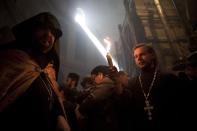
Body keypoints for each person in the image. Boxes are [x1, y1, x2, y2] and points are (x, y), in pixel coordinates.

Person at [0, 12, 70, 131]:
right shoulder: (12, 60)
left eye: (53, 33)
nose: (48, 34)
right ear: (31, 31)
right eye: (43, 28)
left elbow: (50, 100)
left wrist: (58, 116)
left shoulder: (44, 70)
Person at [125, 44, 181, 130]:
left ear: (152, 55)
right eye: (136, 57)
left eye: (142, 54)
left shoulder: (168, 78)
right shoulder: (132, 83)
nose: (139, 58)